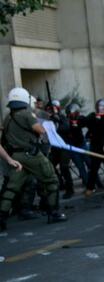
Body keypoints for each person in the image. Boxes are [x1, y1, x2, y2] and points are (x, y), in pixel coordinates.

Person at [0, 87, 67, 229]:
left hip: (16, 156)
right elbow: (42, 130)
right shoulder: (26, 114)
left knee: (11, 188)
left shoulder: (8, 117)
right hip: (32, 155)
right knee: (52, 180)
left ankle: (1, 219)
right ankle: (53, 213)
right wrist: (54, 122)